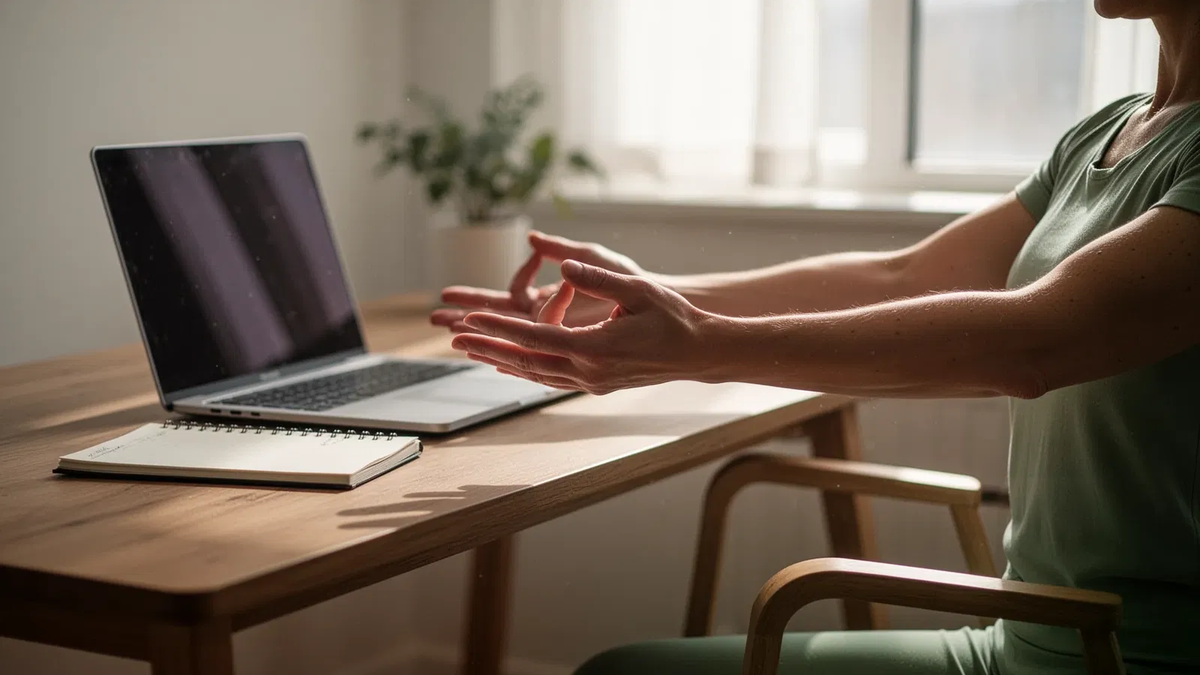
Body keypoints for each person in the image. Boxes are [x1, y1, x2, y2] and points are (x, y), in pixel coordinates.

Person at [430, 1, 1200, 672]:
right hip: (1023, 638)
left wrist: (699, 342)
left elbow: (1035, 343)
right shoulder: (1109, 131)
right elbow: (906, 278)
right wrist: (653, 297)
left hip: (1132, 657)